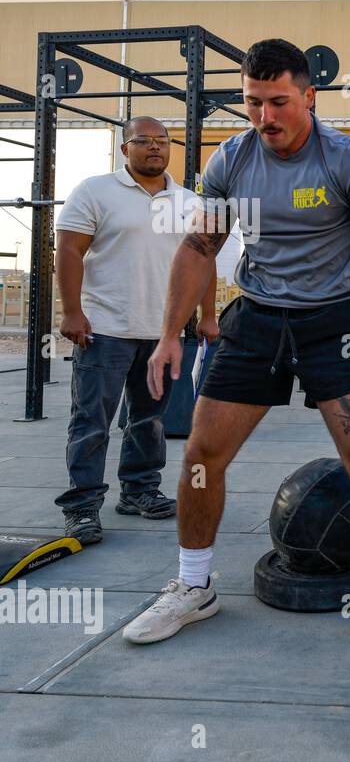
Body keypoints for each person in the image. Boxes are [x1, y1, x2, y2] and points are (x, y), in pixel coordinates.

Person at [126, 39, 350, 653]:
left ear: (308, 97)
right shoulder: (231, 159)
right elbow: (198, 249)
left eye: (279, 102)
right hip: (257, 317)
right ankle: (193, 587)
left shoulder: (348, 159)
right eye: (253, 103)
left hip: (331, 318)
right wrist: (168, 335)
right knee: (201, 456)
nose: (265, 117)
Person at [53, 117, 217, 545]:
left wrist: (207, 314)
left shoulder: (187, 201)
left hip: (163, 333)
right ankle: (82, 507)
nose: (154, 148)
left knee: (149, 420)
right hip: (104, 328)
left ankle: (140, 490)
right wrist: (72, 312)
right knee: (92, 421)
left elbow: (204, 261)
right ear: (124, 149)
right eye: (142, 141)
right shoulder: (95, 191)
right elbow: (69, 249)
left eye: (161, 141)